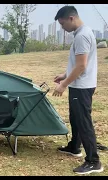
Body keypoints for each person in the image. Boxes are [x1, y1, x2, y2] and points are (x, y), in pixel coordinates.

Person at [52, 6, 104, 175]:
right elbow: (78, 64)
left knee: (83, 122)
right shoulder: (82, 33)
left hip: (82, 87)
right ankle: (75, 147)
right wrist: (64, 74)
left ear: (71, 18)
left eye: (62, 24)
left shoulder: (82, 36)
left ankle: (93, 161)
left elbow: (82, 65)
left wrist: (64, 84)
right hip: (79, 85)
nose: (62, 28)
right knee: (75, 118)